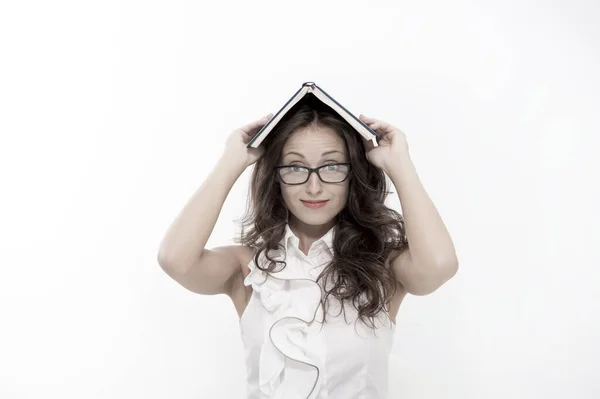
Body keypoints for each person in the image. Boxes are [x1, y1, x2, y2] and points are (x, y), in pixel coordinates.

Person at [157, 97, 459, 399]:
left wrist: (400, 164)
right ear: (277, 177)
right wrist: (231, 161)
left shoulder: (384, 266)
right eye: (295, 167)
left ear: (353, 174)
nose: (314, 187)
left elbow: (440, 265)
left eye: (331, 166)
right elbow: (175, 260)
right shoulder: (248, 266)